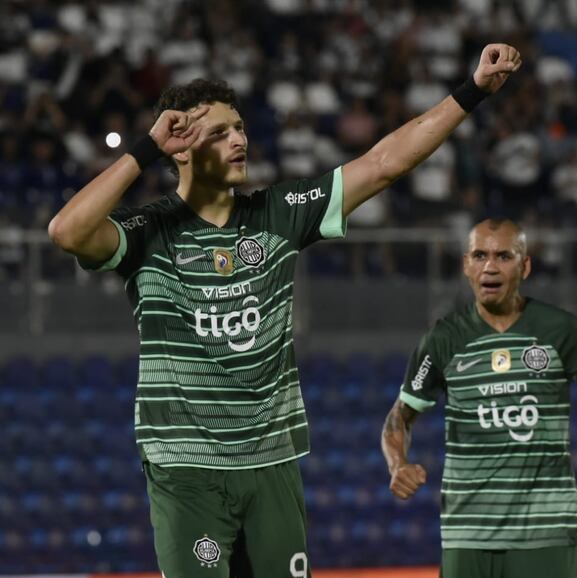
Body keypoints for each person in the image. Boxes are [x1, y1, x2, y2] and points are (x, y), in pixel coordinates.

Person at [48, 44, 522, 578]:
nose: (240, 140)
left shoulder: (278, 213)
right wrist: (145, 148)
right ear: (179, 148)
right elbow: (66, 232)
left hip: (271, 464)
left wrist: (473, 90)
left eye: (241, 128)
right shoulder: (148, 232)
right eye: (220, 132)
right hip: (186, 472)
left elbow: (387, 163)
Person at [381, 218, 577, 578]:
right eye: (480, 255)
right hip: (467, 533)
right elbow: (400, 417)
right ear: (466, 265)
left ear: (525, 265)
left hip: (546, 533)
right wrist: (397, 465)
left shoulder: (559, 330)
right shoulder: (442, 339)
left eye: (504, 256)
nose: (490, 266)